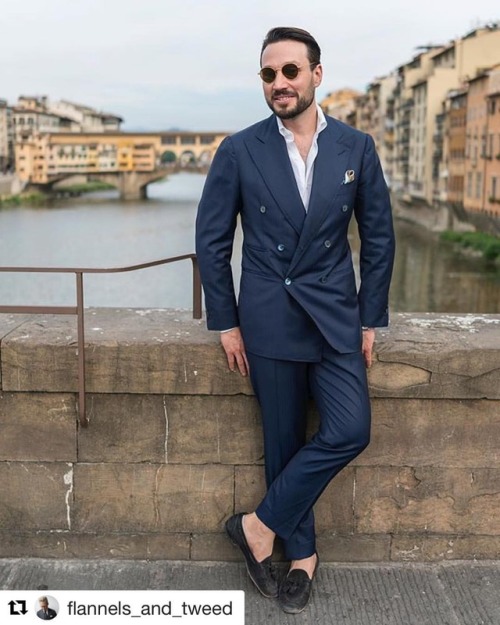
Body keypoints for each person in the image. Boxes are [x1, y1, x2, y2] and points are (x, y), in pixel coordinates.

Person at [195, 26, 395, 614]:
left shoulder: (356, 148)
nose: (279, 83)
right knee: (281, 442)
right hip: (269, 316)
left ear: (315, 75)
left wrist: (369, 318)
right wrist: (225, 323)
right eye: (268, 74)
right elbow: (212, 243)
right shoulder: (239, 149)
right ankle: (301, 556)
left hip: (335, 315)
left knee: (350, 429)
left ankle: (256, 527)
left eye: (289, 71)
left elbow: (379, 238)